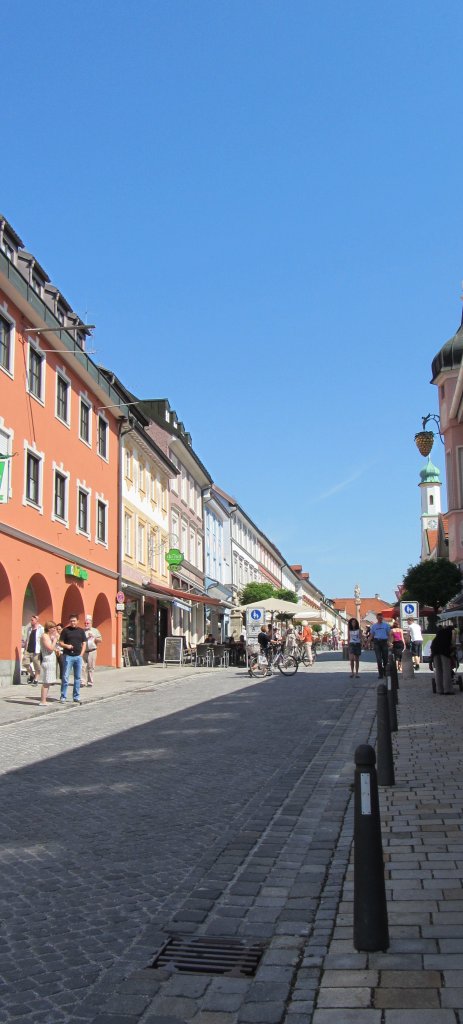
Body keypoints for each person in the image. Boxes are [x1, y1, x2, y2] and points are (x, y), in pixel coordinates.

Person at [59, 613, 87, 704]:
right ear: (69, 621)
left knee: (77, 678)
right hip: (68, 656)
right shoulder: (65, 631)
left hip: (78, 656)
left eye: (74, 621)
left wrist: (81, 654)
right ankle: (63, 696)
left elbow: (84, 643)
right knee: (65, 677)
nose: (73, 622)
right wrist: (67, 646)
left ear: (78, 621)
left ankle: (76, 696)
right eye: (71, 621)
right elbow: (60, 643)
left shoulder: (81, 631)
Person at [39, 621, 60, 706]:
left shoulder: (49, 636)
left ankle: (44, 700)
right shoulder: (44, 636)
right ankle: (43, 701)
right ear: (49, 628)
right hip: (47, 660)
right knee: (46, 682)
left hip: (51, 660)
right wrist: (54, 640)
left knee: (48, 681)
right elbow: (50, 648)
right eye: (53, 628)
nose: (55, 629)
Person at [430, 625, 455, 695]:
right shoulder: (452, 632)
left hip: (435, 649)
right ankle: (447, 689)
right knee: (446, 670)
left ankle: (440, 689)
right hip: (444, 650)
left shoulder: (440, 632)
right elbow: (453, 643)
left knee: (438, 670)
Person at [23, 613, 44, 685]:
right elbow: (27, 639)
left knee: (37, 665)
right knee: (25, 664)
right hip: (28, 649)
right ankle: (32, 675)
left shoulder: (41, 629)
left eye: (32, 620)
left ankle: (36, 679)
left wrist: (42, 649)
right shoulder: (29, 629)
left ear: (36, 620)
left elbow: (43, 639)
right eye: (30, 620)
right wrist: (25, 647)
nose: (31, 621)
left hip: (36, 650)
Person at [370, 612, 391, 679]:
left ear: (382, 618)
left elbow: (389, 634)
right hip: (377, 642)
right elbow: (371, 635)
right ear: (377, 618)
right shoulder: (374, 626)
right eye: (379, 618)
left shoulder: (386, 625)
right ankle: (380, 674)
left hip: (384, 642)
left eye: (381, 617)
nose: (380, 619)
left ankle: (385, 672)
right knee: (378, 659)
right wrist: (367, 642)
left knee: (385, 659)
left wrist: (389, 641)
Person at [83, 614, 102, 687]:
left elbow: (100, 640)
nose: (86, 624)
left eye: (87, 623)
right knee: (82, 667)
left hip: (92, 651)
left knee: (91, 667)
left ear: (91, 623)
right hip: (84, 651)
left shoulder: (95, 630)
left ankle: (90, 682)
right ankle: (83, 681)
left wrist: (94, 637)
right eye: (85, 623)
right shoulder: (82, 631)